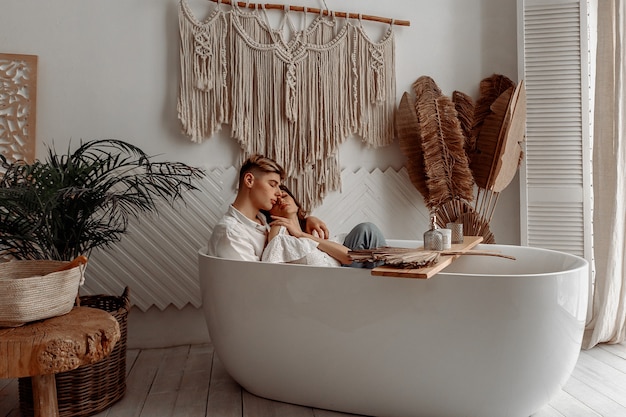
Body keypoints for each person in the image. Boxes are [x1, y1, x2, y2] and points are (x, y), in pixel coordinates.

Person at [207, 154, 328, 261]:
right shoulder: (232, 233)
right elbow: (258, 281)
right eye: (272, 185)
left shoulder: (261, 218)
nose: (279, 193)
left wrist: (306, 220)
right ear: (249, 180)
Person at [262, 185, 386, 267]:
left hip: (343, 264)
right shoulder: (278, 229)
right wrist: (301, 235)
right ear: (269, 212)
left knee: (365, 230)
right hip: (337, 278)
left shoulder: (308, 229)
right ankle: (387, 287)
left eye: (284, 196)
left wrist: (303, 231)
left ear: (295, 202)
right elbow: (350, 257)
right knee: (367, 231)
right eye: (275, 202)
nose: (281, 201)